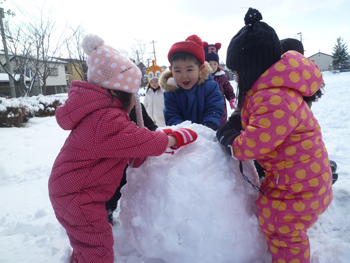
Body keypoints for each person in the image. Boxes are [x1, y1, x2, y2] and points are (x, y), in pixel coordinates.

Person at [48, 34, 198, 263]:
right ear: (118, 93)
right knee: (98, 247)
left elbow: (124, 143)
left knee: (86, 240)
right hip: (78, 198)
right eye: (134, 95)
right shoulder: (106, 119)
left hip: (71, 191)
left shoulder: (100, 114)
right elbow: (139, 140)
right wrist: (173, 139)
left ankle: (80, 256)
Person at [216, 8, 333, 263]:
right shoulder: (272, 90)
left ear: (251, 69)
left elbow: (253, 146)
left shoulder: (274, 98)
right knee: (274, 216)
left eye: (237, 73)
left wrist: (230, 142)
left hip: (300, 187)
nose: (236, 78)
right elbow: (259, 119)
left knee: (281, 226)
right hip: (299, 179)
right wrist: (238, 119)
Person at [105, 102, 158, 226]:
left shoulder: (137, 107)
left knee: (131, 185)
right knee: (113, 188)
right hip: (114, 160)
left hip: (133, 159)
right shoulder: (108, 111)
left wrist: (157, 132)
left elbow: (148, 124)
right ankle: (107, 212)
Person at [160, 34, 224, 131]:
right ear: (171, 70)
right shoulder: (171, 92)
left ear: (200, 69)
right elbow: (172, 114)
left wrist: (209, 124)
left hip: (207, 134)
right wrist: (183, 131)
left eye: (189, 70)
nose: (184, 76)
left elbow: (214, 108)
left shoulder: (210, 86)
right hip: (183, 138)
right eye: (178, 71)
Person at [203, 42, 236, 125]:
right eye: (209, 64)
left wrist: (231, 99)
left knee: (221, 120)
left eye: (215, 64)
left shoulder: (221, 76)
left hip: (220, 104)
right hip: (205, 104)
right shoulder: (202, 78)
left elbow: (228, 89)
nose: (212, 66)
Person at [143, 60, 166, 127]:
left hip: (161, 121)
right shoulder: (148, 92)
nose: (154, 84)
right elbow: (145, 104)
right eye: (151, 82)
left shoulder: (164, 92)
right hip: (150, 121)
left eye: (156, 81)